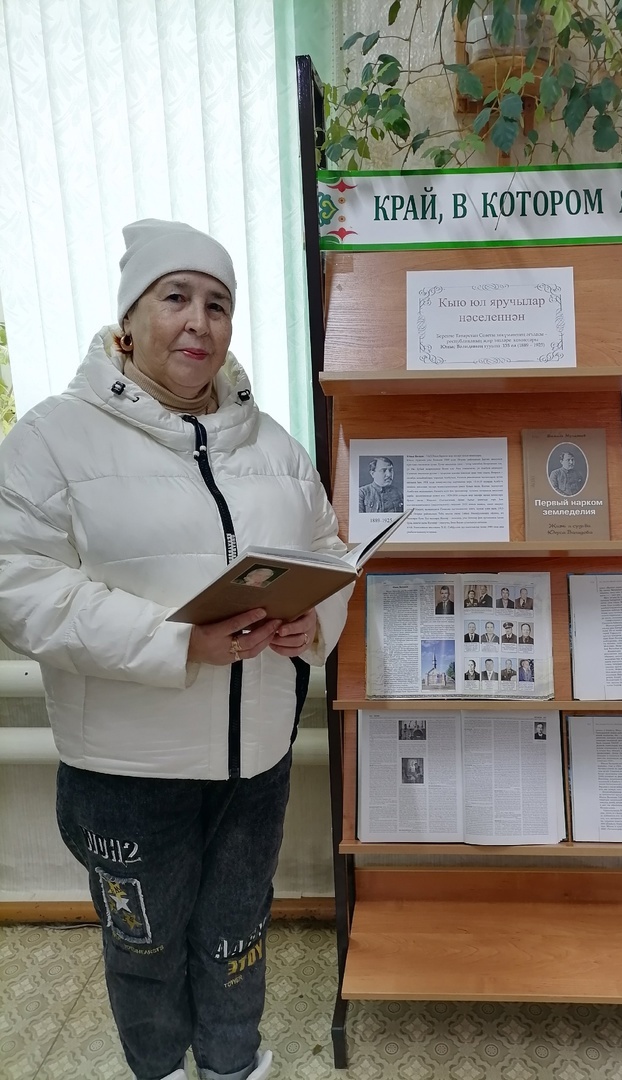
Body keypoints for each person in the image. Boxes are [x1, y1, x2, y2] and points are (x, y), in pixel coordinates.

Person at [0, 220, 352, 1080]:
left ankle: (233, 1066)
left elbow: (328, 551)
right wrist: (175, 642)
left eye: (218, 304)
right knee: (146, 949)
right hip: (127, 775)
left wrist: (313, 622)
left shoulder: (274, 447)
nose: (199, 320)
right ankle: (157, 1070)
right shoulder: (51, 439)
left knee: (237, 936)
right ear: (128, 321)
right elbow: (17, 587)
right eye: (176, 297)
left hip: (254, 761)